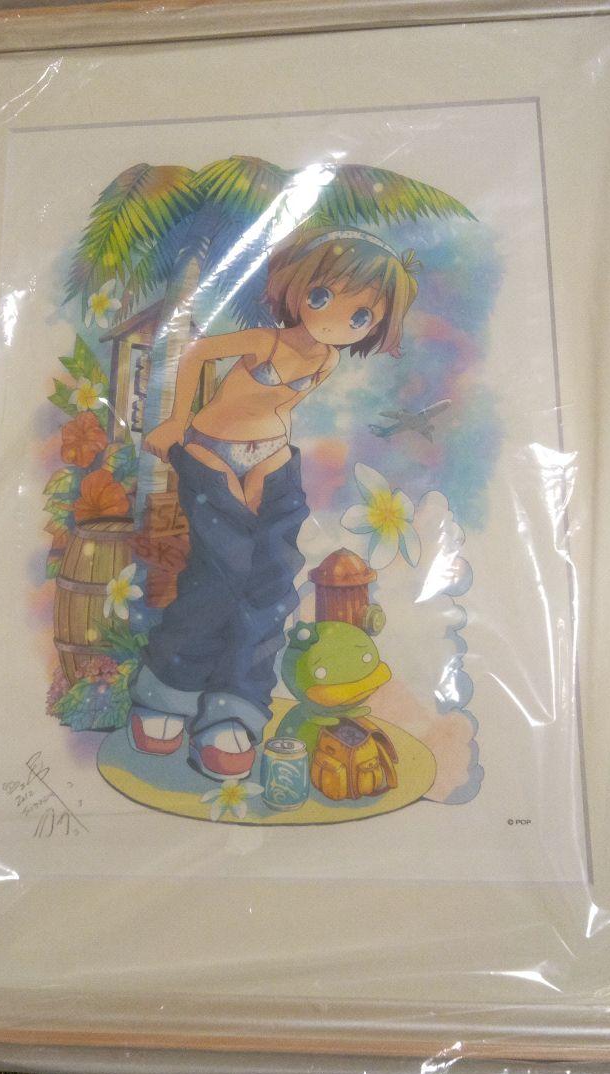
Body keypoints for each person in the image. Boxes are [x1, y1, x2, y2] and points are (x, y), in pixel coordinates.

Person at [126, 226, 419, 781]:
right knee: (220, 574)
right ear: (298, 286)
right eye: (322, 296)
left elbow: (280, 412)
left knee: (271, 583)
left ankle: (235, 706)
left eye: (361, 316)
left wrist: (265, 468)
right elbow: (197, 354)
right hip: (211, 450)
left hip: (274, 460)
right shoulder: (267, 342)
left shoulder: (327, 360)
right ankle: (169, 689)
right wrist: (175, 421)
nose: (335, 321)